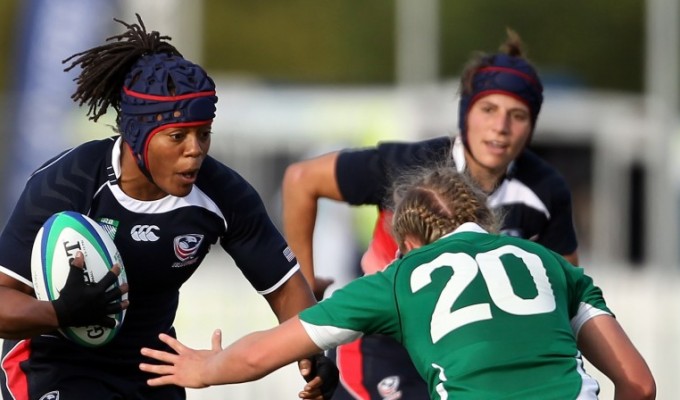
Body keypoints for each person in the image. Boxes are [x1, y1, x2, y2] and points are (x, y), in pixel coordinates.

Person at [0, 14, 337, 400]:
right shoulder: (68, 182)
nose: (194, 151)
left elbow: (285, 290)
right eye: (177, 136)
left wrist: (313, 352)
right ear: (137, 136)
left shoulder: (223, 194)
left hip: (153, 370)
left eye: (203, 133)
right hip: (55, 365)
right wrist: (60, 312)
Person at [139, 166, 656, 399]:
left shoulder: (402, 277)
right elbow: (639, 384)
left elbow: (262, 354)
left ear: (405, 240)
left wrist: (203, 369)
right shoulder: (550, 262)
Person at [281, 29, 579, 399]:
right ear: (465, 113)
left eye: (517, 115)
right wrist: (302, 288)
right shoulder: (411, 164)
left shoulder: (544, 189)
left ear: (531, 125)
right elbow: (300, 180)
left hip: (476, 359)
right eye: (488, 109)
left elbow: (566, 295)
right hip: (387, 352)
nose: (500, 127)